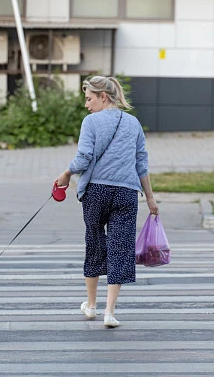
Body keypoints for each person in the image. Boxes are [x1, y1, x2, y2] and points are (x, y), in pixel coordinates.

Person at [55, 75, 158, 328]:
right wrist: (151, 200)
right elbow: (141, 163)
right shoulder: (134, 123)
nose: (87, 105)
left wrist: (67, 174)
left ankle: (91, 306)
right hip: (126, 193)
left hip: (96, 191)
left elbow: (84, 156)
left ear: (103, 97)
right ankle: (109, 312)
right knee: (120, 248)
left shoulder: (91, 122)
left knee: (94, 243)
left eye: (89, 99)